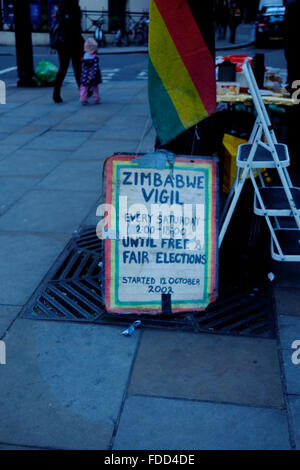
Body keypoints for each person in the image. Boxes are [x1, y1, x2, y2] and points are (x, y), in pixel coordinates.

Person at [52, 0, 84, 103]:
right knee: (77, 69)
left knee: (63, 69)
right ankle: (83, 91)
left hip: (63, 44)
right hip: (73, 43)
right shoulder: (75, 9)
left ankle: (56, 93)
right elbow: (77, 28)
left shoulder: (61, 9)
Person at [284, 0, 300, 168]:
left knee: (295, 109)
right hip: (296, 72)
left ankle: (293, 154)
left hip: (296, 75)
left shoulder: (292, 4)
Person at [79, 38, 102, 105]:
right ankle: (96, 99)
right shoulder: (95, 58)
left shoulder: (84, 58)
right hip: (93, 75)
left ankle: (83, 99)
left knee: (84, 87)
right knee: (95, 87)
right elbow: (96, 68)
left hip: (85, 75)